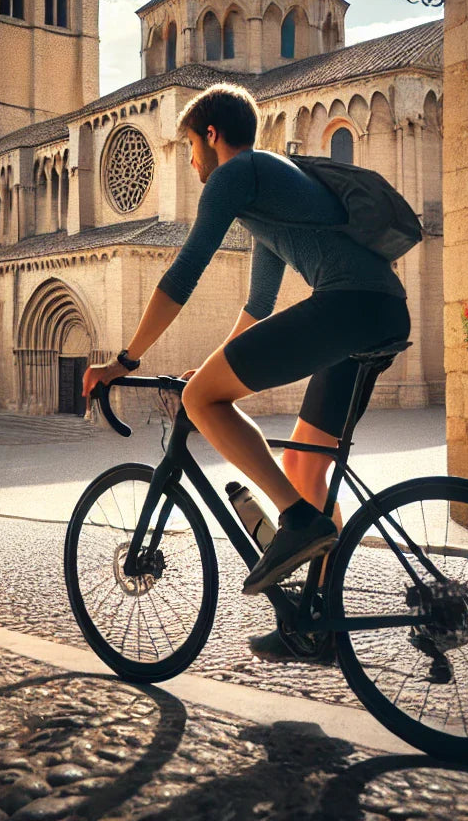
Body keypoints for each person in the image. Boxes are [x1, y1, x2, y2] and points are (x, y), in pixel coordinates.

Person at [81, 82, 410, 659]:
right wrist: (206, 370)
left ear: (211, 135)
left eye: (189, 146)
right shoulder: (271, 190)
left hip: (349, 306)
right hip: (379, 310)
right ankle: (320, 623)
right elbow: (257, 308)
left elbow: (183, 272)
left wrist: (125, 361)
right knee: (304, 465)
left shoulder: (237, 175)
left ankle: (297, 524)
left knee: (203, 404)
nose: (189, 160)